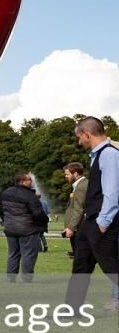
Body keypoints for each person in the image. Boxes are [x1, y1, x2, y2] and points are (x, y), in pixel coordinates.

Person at [67, 117, 119, 312]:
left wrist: (103, 223)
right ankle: (71, 309)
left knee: (110, 266)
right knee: (81, 265)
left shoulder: (108, 155)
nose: (79, 141)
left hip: (103, 221)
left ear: (87, 134)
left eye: (79, 137)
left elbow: (112, 192)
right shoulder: (98, 156)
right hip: (92, 221)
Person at [0, 171, 48, 282]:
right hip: (28, 229)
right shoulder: (30, 195)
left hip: (10, 229)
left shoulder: (5, 192)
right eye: (29, 180)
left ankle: (11, 279)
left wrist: (7, 221)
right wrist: (45, 221)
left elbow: (1, 211)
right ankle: (26, 280)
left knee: (13, 254)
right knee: (28, 255)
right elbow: (38, 213)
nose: (31, 181)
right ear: (22, 181)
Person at [62, 161, 87, 259]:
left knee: (80, 260)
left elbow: (79, 209)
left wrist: (71, 227)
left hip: (79, 228)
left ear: (75, 173)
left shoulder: (81, 187)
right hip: (78, 227)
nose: (66, 176)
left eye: (67, 174)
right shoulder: (80, 185)